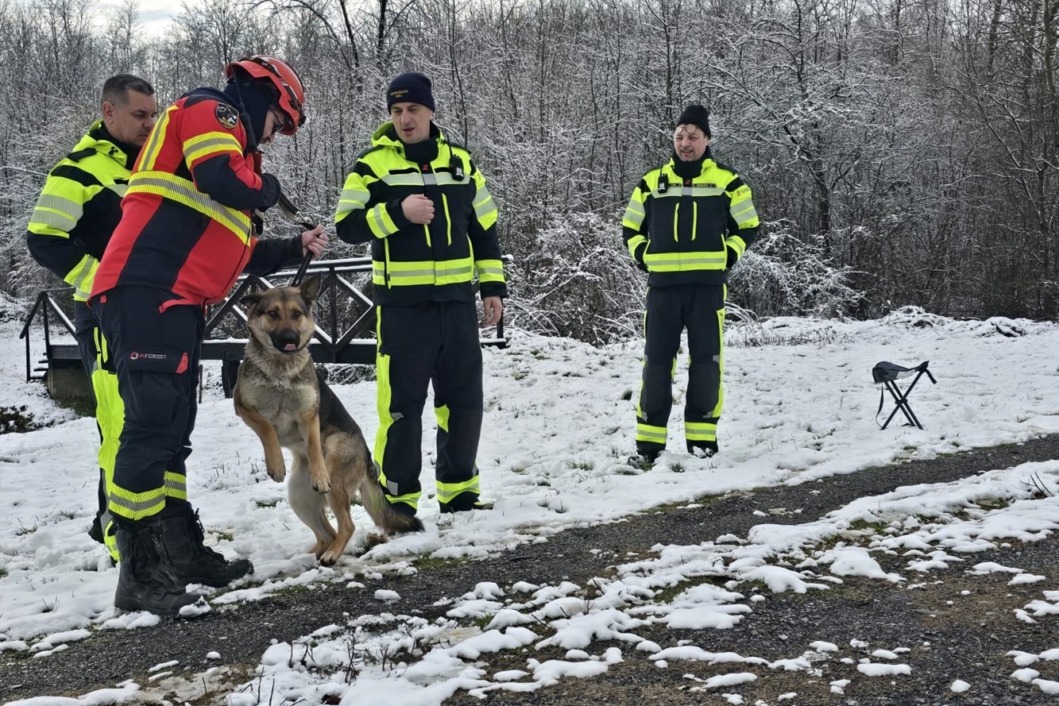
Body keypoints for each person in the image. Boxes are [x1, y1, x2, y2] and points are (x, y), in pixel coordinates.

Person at [89, 56, 328, 615]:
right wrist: (268, 187)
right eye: (279, 122)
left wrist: (293, 247)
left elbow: (233, 250)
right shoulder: (209, 111)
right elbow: (222, 179)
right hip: (148, 291)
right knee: (150, 430)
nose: (276, 135)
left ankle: (178, 551)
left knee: (173, 431)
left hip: (175, 299)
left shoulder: (225, 144)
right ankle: (139, 571)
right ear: (264, 97)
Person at [334, 71, 506, 518]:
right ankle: (396, 501)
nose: (405, 119)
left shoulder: (461, 163)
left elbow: (485, 229)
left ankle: (459, 493)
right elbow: (346, 226)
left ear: (430, 110)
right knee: (401, 411)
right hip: (402, 311)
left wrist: (492, 287)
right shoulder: (372, 165)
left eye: (412, 109)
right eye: (396, 111)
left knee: (464, 404)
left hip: (457, 306)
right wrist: (398, 212)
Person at [26, 74, 159, 562]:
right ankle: (121, 540)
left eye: (154, 115)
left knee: (152, 425)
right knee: (120, 423)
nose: (149, 124)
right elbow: (43, 237)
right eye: (139, 115)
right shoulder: (76, 170)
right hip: (103, 313)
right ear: (108, 112)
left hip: (151, 314)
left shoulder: (153, 165)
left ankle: (148, 528)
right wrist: (101, 278)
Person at [621, 104, 760, 465]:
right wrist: (643, 255)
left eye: (693, 136)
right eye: (680, 136)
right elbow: (630, 227)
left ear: (707, 140)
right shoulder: (651, 182)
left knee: (706, 364)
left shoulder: (728, 181)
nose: (685, 143)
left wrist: (729, 254)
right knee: (656, 364)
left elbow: (749, 225)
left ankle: (702, 442)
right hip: (663, 289)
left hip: (707, 289)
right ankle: (649, 446)